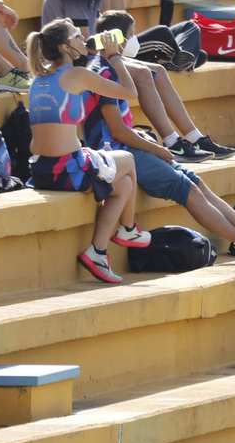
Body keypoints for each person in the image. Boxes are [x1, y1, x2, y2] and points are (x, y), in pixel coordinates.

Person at [84, 13, 235, 261]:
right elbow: (116, 132)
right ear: (115, 40)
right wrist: (158, 149)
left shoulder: (110, 69)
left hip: (128, 147)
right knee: (187, 189)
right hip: (119, 154)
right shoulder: (103, 73)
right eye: (131, 34)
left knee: (194, 180)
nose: (134, 39)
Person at [46, 0, 235, 162]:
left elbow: (113, 19)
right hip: (76, 59)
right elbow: (88, 46)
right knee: (147, 72)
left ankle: (193, 137)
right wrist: (116, 52)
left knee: (159, 69)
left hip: (91, 53)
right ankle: (172, 143)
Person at [24, 19, 149, 283]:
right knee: (127, 159)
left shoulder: (40, 77)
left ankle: (98, 252)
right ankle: (128, 229)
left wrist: (94, 56)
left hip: (41, 169)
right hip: (67, 171)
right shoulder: (76, 76)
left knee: (123, 185)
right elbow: (130, 92)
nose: (84, 40)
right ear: (65, 46)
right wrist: (114, 57)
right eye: (77, 37)